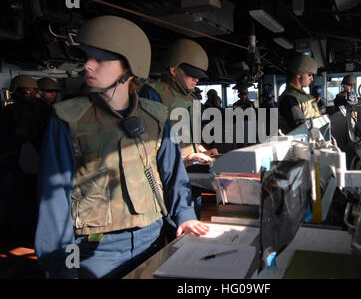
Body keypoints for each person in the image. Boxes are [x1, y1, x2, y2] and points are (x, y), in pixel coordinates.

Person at [34, 16, 209, 279]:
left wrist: (184, 214)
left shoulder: (156, 117)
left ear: (130, 68)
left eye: (101, 59)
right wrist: (60, 265)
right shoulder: (67, 120)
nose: (88, 66)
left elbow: (173, 174)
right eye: (87, 57)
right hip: (96, 250)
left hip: (153, 239)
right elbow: (54, 201)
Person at [139, 38, 218, 221]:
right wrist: (184, 159)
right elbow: (147, 148)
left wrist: (201, 149)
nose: (196, 79)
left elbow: (189, 137)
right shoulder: (153, 94)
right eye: (191, 74)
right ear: (174, 70)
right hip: (169, 181)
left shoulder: (191, 98)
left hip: (191, 178)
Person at [0, 75, 48, 247]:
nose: (31, 95)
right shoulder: (10, 113)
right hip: (16, 164)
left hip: (33, 163)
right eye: (27, 91)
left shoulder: (43, 111)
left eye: (34, 92)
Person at [278, 54, 321, 134]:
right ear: (298, 75)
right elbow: (299, 126)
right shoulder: (289, 98)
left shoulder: (305, 96)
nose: (312, 78)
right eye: (309, 74)